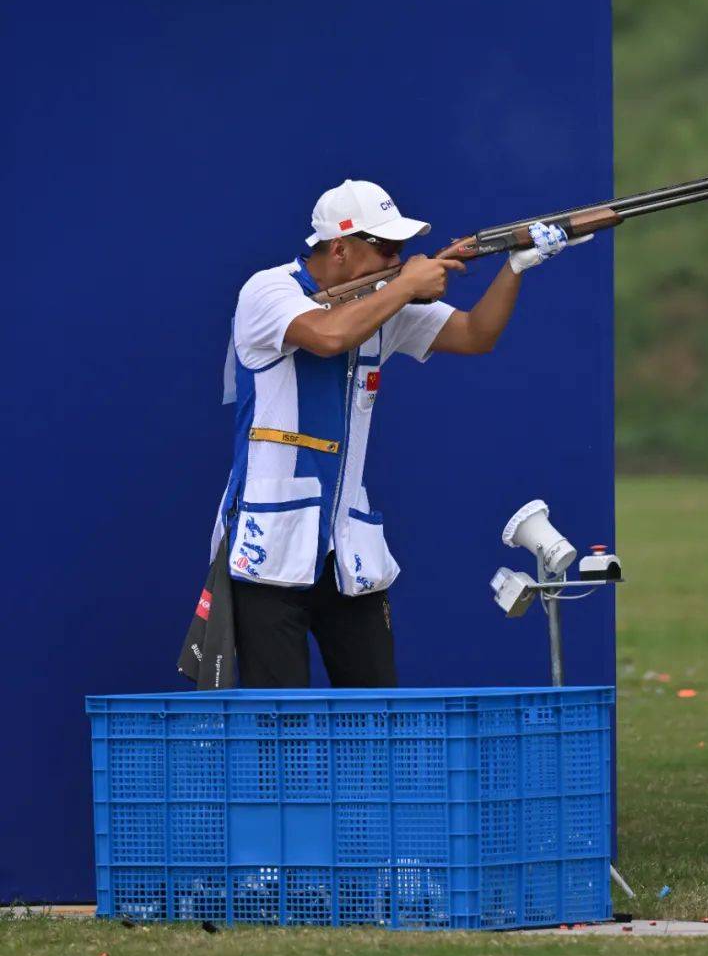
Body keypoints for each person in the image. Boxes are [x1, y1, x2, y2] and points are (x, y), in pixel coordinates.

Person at [209, 177, 574, 688]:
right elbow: (328, 335)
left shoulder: (384, 303)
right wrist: (404, 286)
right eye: (386, 248)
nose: (397, 258)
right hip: (269, 544)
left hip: (347, 545)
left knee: (375, 710)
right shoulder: (268, 290)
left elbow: (475, 334)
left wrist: (513, 266)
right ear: (339, 248)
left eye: (400, 248)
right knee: (278, 721)